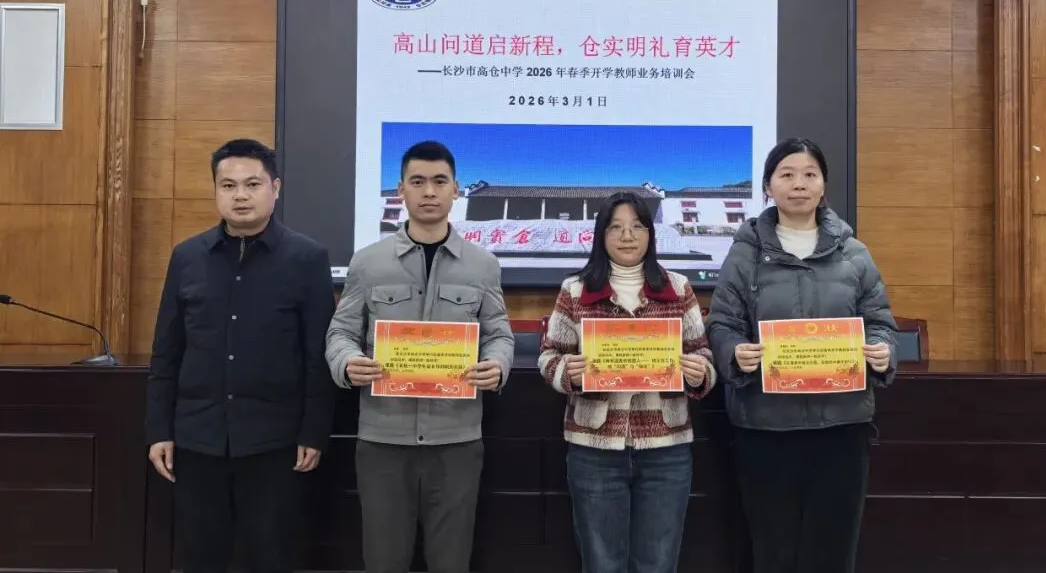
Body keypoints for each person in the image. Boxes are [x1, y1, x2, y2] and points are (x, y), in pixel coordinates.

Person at [706, 137, 898, 573]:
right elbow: (722, 324)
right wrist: (735, 353)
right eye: (787, 175)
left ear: (823, 185)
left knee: (833, 551)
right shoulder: (745, 254)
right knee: (772, 550)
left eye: (810, 175)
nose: (799, 184)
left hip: (841, 427)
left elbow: (881, 322)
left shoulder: (854, 254)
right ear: (768, 186)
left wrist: (883, 352)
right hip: (765, 427)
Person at [146, 138, 337, 573]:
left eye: (252, 184)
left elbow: (317, 356)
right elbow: (167, 352)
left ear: (275, 188)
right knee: (201, 557)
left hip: (276, 443)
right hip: (197, 439)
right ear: (215, 190)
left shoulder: (307, 258)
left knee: (270, 557)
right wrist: (158, 430)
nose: (240, 195)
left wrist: (314, 432)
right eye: (228, 185)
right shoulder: (187, 257)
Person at [325, 140, 515, 573]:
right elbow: (341, 332)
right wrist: (347, 362)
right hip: (383, 440)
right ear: (401, 190)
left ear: (456, 190)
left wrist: (497, 365)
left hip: (457, 440)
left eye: (439, 181)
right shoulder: (368, 263)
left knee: (451, 559)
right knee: (383, 559)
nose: (429, 191)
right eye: (418, 181)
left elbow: (499, 334)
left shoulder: (483, 265)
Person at [538, 191, 716, 573]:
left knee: (658, 562)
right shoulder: (575, 290)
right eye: (615, 227)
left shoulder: (678, 287)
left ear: (651, 233)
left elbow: (702, 353)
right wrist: (566, 372)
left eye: (637, 226)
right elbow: (549, 355)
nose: (627, 236)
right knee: (602, 563)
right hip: (595, 448)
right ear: (601, 235)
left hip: (666, 448)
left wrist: (700, 372)